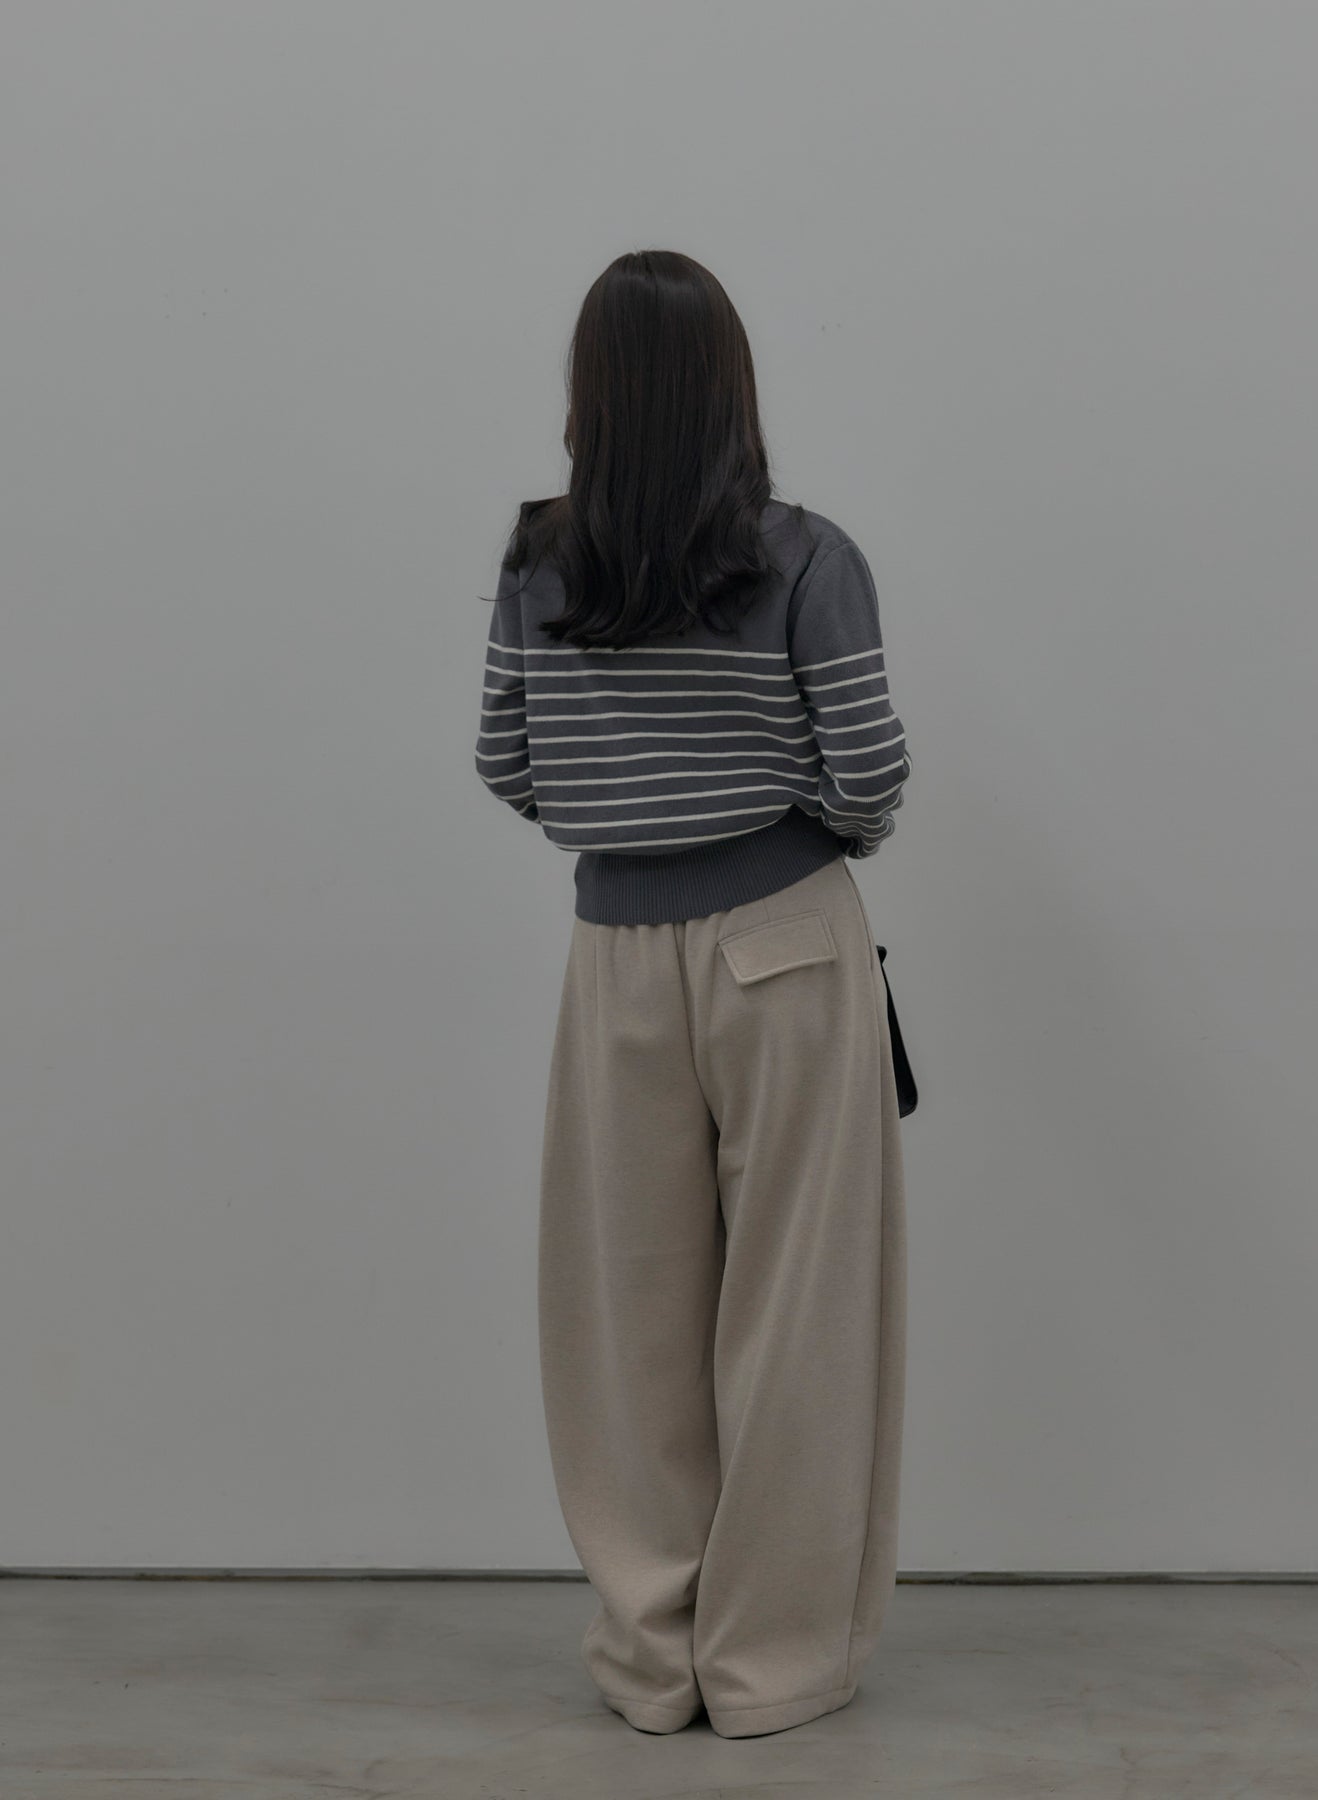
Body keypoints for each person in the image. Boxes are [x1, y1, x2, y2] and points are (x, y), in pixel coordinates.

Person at [474, 248, 911, 1739]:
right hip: (784, 940)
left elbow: (506, 762)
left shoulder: (539, 562)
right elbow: (869, 773)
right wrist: (785, 820)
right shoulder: (807, 556)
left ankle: (653, 1660)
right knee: (799, 1311)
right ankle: (770, 1663)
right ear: (731, 385)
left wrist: (626, 810)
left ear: (588, 389)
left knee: (627, 1315)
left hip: (615, 954)